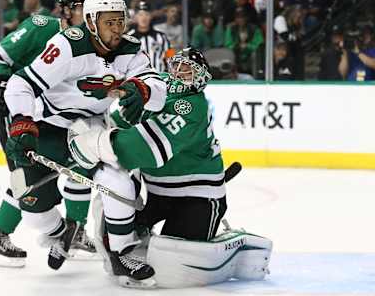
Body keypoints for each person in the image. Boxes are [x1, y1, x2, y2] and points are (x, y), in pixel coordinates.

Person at [68, 48, 271, 288]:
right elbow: (119, 120)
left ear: (202, 77)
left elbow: (141, 148)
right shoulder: (157, 86)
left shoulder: (192, 106)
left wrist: (92, 145)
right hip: (158, 194)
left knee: (172, 255)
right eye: (178, 66)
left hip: (197, 196)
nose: (180, 72)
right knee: (115, 221)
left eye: (189, 70)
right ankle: (124, 252)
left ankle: (235, 243)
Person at [3, 0, 166, 281]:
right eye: (109, 22)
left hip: (89, 125)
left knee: (116, 179)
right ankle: (60, 231)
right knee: (32, 209)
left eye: (120, 21)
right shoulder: (68, 46)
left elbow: (157, 90)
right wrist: (22, 123)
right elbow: (20, 83)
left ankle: (121, 253)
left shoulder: (130, 49)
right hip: (48, 124)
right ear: (91, 22)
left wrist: (143, 90)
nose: (117, 29)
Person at [0, 0, 93, 268]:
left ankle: (74, 229)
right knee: (26, 177)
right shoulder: (40, 26)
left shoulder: (91, 40)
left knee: (79, 164)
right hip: (19, 114)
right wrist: (1, 85)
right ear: (66, 10)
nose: (90, 16)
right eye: (83, 9)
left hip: (53, 118)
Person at [127, 1, 170, 72]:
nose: (144, 18)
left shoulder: (162, 36)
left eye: (147, 14)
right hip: (137, 79)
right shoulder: (129, 38)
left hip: (159, 78)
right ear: (136, 17)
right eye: (140, 15)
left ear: (151, 16)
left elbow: (170, 54)